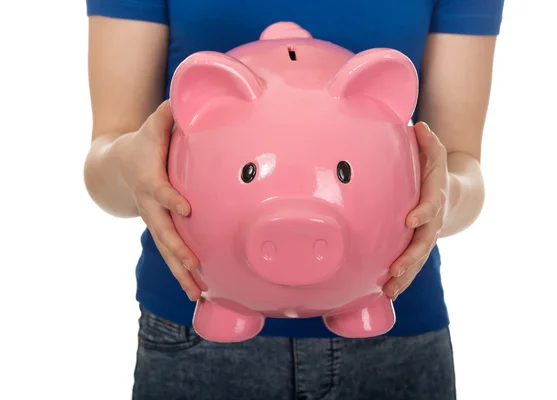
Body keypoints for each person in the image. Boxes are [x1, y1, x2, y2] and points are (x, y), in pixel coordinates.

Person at [84, 1, 504, 399]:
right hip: (194, 328)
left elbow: (461, 161)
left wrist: (442, 200)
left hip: (396, 327)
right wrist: (128, 164)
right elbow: (106, 159)